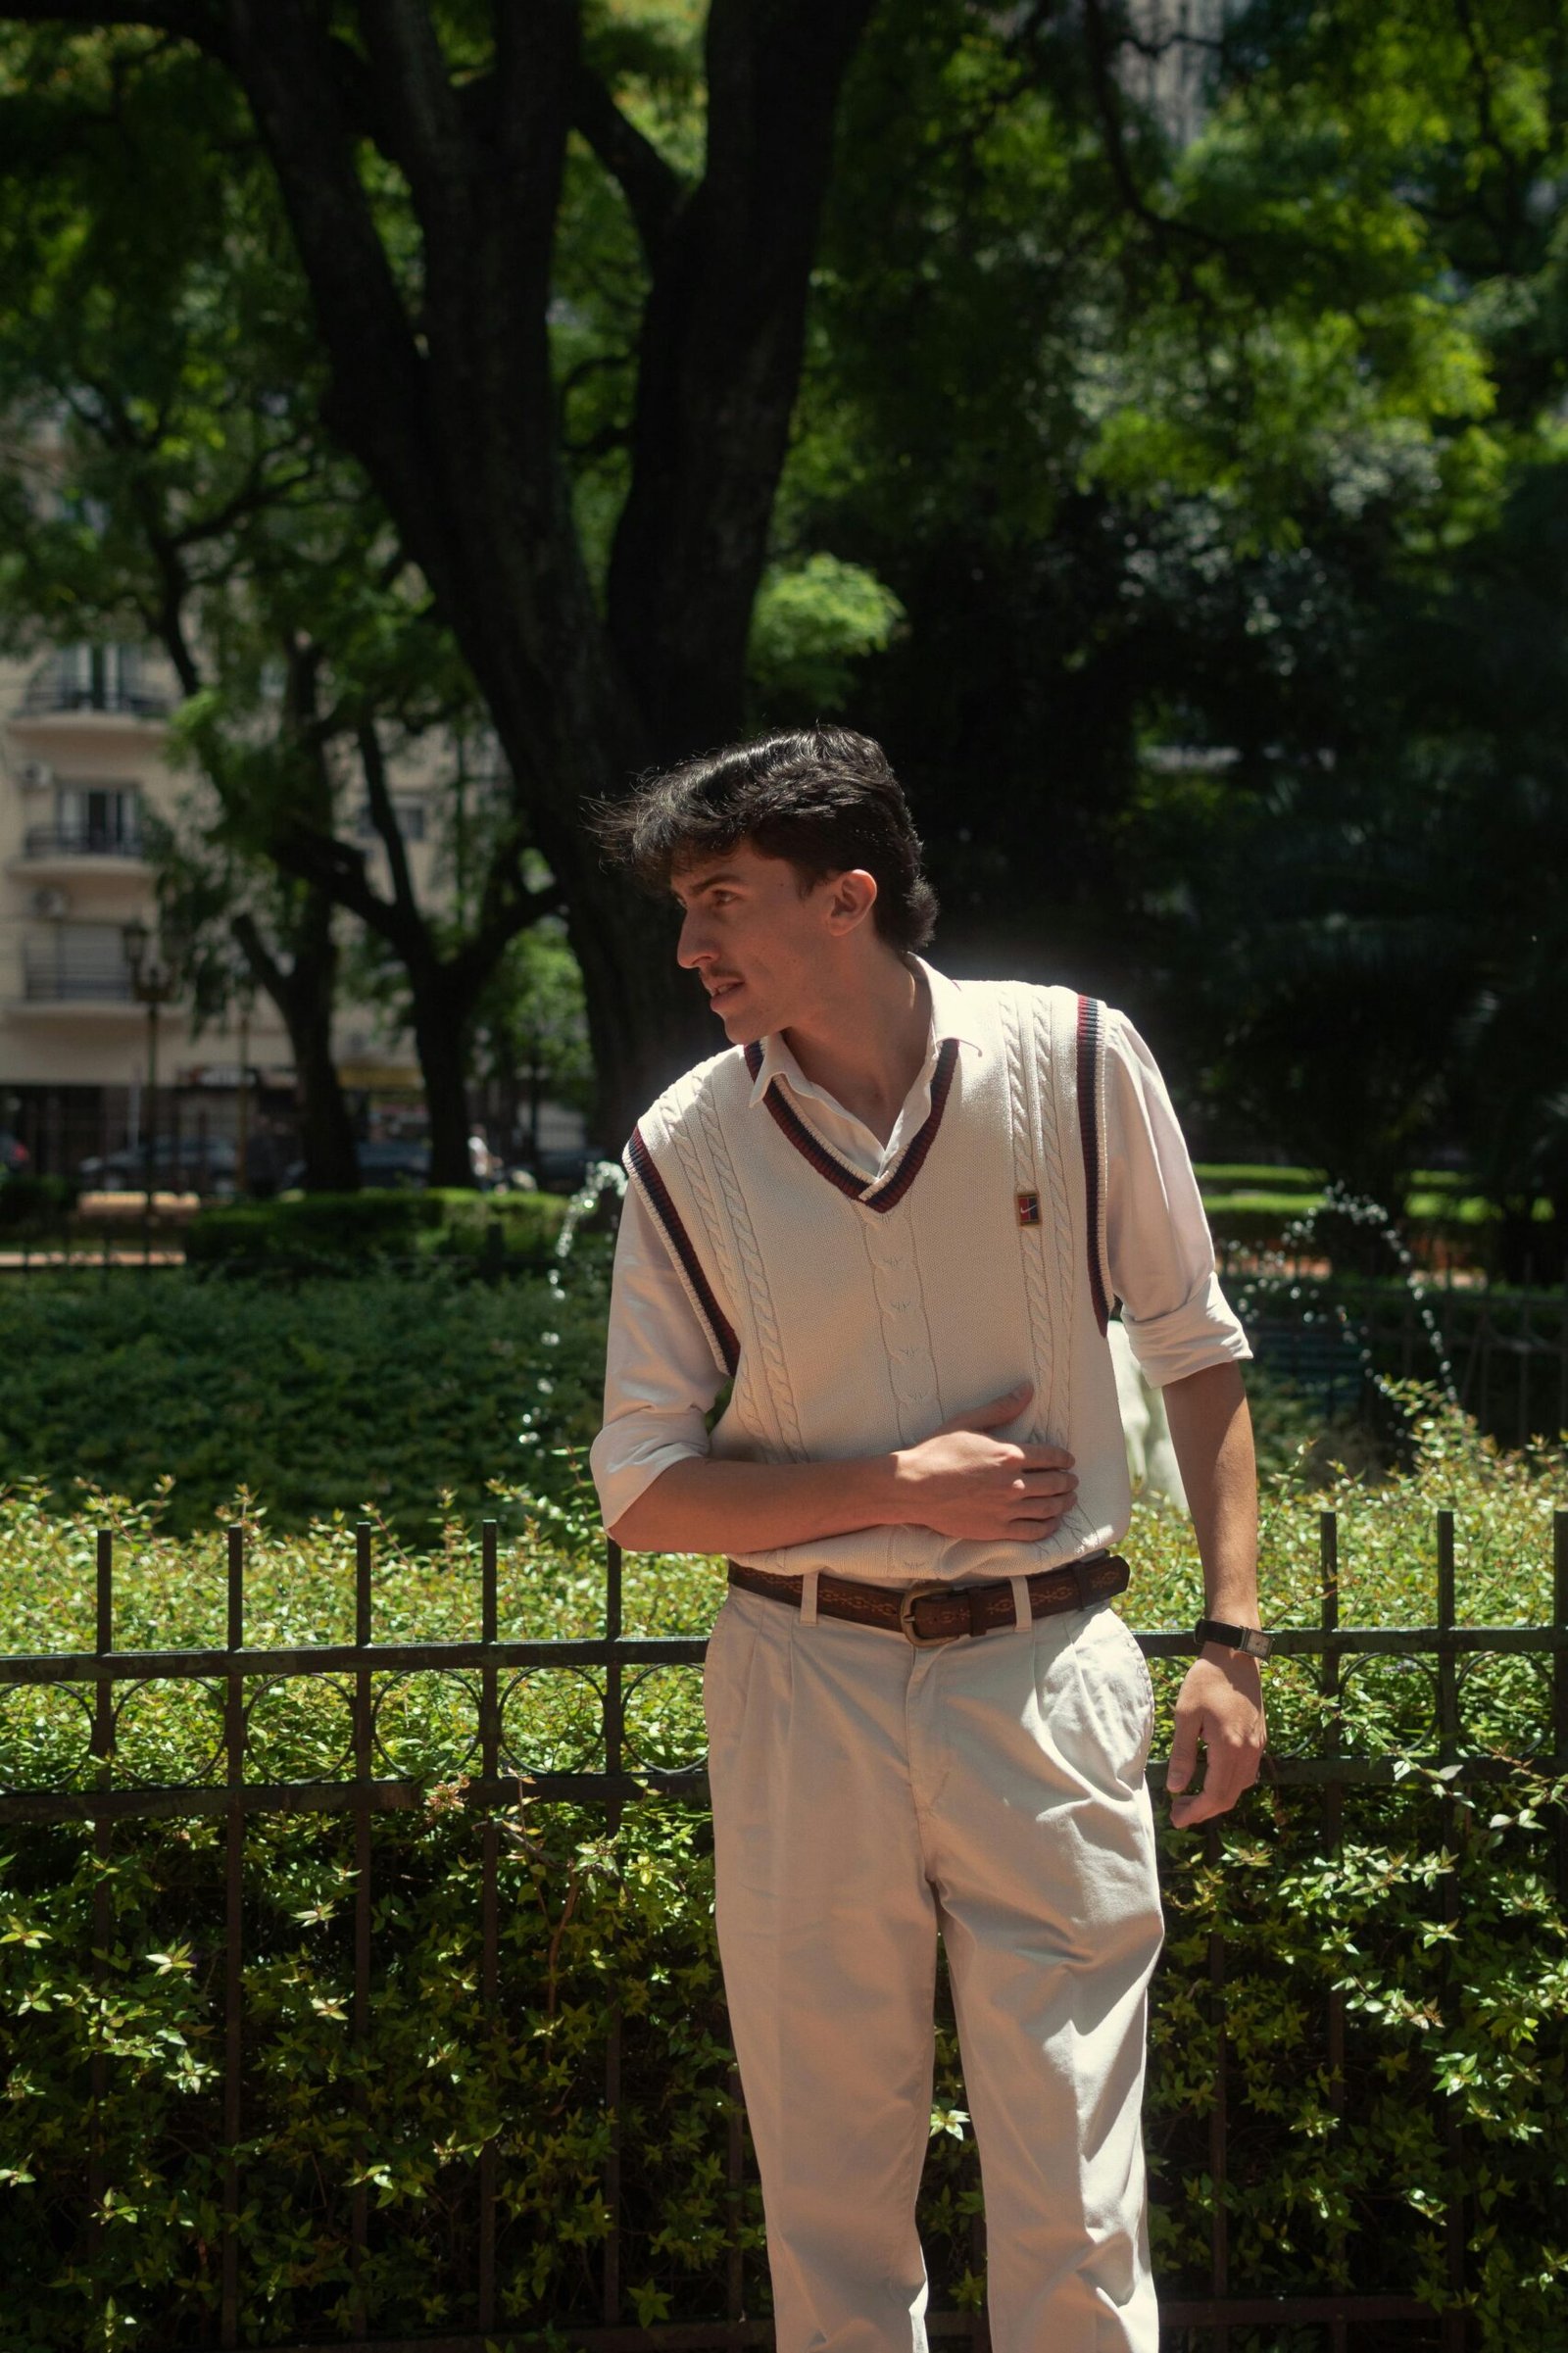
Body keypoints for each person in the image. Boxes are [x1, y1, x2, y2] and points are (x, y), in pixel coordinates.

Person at [590, 728, 1268, 2353]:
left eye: (719, 901)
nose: (688, 946)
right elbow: (644, 1488)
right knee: (825, 2183)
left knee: (1081, 2197)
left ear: (849, 897)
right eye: (683, 907)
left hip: (1049, 1672)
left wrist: (1231, 1638)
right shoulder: (685, 1145)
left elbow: (1197, 1347)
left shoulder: (1083, 1061)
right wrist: (902, 1480)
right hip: (798, 1680)